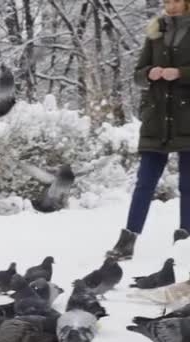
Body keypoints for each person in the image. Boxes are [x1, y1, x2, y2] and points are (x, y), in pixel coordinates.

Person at [106, 0, 190, 261]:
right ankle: (127, 240)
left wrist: (180, 73)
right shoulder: (156, 31)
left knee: (188, 186)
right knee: (144, 183)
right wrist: (149, 73)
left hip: (187, 118)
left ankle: (184, 243)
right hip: (156, 120)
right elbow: (137, 74)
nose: (170, 5)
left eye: (175, 1)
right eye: (166, 1)